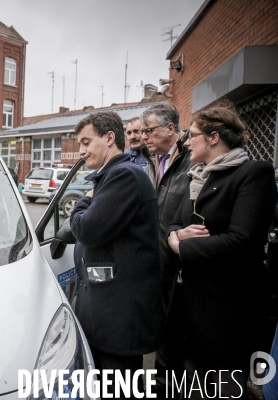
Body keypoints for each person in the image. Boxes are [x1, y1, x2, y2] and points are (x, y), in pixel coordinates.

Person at [166, 106, 276, 398]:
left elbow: (243, 240)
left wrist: (182, 245)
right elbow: (175, 223)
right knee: (193, 383)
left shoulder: (253, 174)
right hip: (191, 302)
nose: (186, 142)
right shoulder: (198, 176)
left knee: (224, 387)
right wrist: (175, 235)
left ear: (214, 137)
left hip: (229, 308)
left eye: (192, 135)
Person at [70, 111, 164, 398]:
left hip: (118, 322)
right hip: (108, 317)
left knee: (119, 390)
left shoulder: (123, 175)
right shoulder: (113, 176)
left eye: (87, 142)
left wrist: (79, 205)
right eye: (80, 144)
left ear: (110, 138)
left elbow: (87, 230)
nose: (81, 150)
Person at [139, 103, 194, 396]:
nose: (144, 136)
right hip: (155, 260)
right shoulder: (151, 161)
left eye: (149, 130)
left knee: (176, 335)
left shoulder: (192, 159)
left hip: (180, 262)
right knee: (161, 329)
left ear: (170, 129)